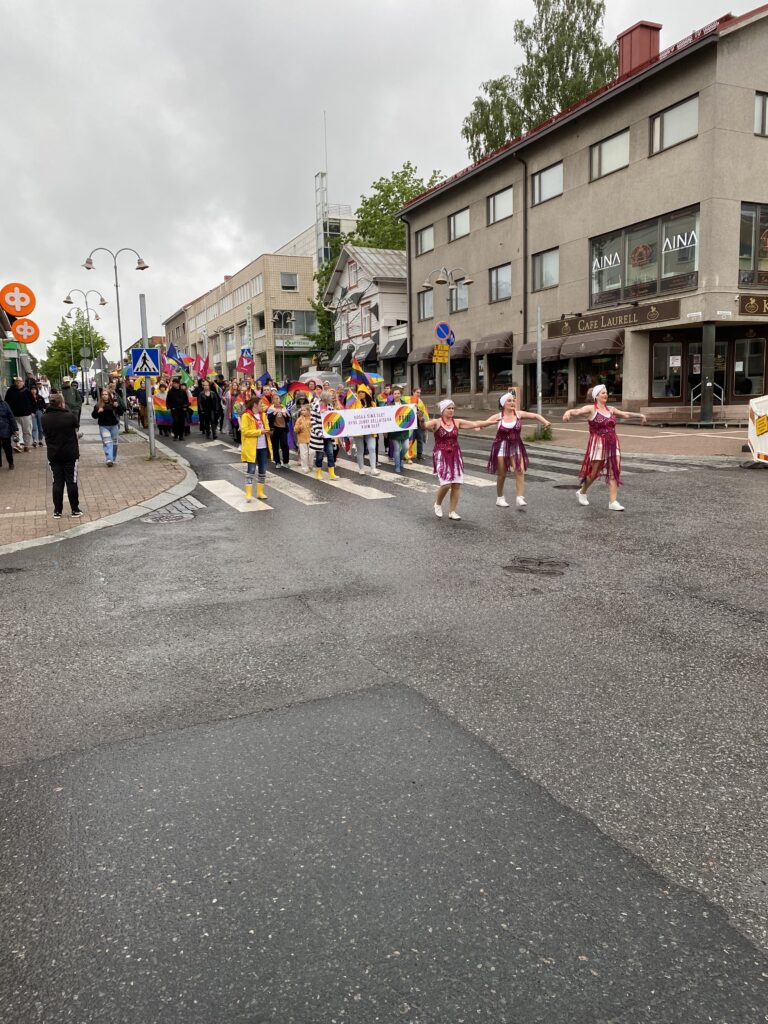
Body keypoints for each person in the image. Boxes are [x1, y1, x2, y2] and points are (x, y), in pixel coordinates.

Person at [563, 384, 647, 511]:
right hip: (598, 444)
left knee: (614, 470)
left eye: (606, 392)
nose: (606, 395)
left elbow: (625, 414)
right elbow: (577, 411)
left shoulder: (611, 409)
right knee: (594, 472)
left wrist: (640, 415)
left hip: (613, 443)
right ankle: (582, 491)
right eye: (603, 393)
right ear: (596, 396)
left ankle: (613, 502)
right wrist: (568, 412)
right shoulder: (591, 409)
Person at [475, 394, 551, 508]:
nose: (512, 403)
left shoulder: (518, 414)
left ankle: (519, 497)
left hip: (515, 446)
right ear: (503, 404)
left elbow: (535, 416)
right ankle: (500, 498)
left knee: (519, 471)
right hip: (501, 447)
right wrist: (478, 427)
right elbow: (483, 424)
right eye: (509, 401)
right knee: (502, 474)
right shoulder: (498, 416)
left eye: (513, 400)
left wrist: (545, 422)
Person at [423, 399, 482, 520]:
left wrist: (493, 421)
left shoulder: (457, 422)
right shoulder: (436, 422)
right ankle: (438, 504)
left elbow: (476, 424)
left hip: (455, 454)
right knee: (446, 483)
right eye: (448, 408)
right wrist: (420, 419)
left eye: (452, 408)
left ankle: (452, 511)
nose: (451, 410)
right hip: (441, 454)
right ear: (443, 410)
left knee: (456, 484)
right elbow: (423, 426)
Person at [41, 394, 82, 518]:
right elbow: (76, 425)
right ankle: (74, 509)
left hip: (54, 454)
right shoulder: (69, 416)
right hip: (70, 453)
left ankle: (57, 511)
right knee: (71, 481)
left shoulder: (44, 418)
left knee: (57, 482)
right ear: (61, 403)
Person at [240, 396, 272, 500]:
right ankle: (248, 494)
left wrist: (268, 431)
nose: (262, 405)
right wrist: (260, 432)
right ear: (255, 405)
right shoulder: (246, 416)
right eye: (261, 403)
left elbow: (266, 427)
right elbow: (245, 432)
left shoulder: (263, 415)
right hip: (252, 447)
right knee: (251, 470)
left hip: (263, 446)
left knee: (262, 470)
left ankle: (260, 492)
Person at [92, 387, 125, 466]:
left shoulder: (113, 404)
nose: (104, 396)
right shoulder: (98, 405)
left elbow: (121, 413)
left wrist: (117, 406)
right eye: (103, 394)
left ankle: (113, 458)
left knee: (115, 444)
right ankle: (109, 459)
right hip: (104, 426)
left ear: (109, 395)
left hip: (114, 426)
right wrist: (98, 412)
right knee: (107, 443)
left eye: (106, 394)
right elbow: (94, 416)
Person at [310, 389, 338, 480]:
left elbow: (333, 419)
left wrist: (333, 431)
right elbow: (313, 421)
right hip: (319, 436)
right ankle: (319, 472)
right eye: (330, 398)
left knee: (330, 453)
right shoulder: (315, 406)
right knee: (319, 455)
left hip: (328, 435)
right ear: (325, 399)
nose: (331, 400)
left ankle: (332, 473)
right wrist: (319, 433)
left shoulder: (330, 406)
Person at [353, 385, 380, 476]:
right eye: (359, 392)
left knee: (372, 448)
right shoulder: (354, 404)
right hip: (358, 431)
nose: (360, 393)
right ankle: (361, 468)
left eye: (362, 392)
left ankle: (373, 468)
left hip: (370, 429)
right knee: (360, 450)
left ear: (366, 393)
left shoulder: (373, 404)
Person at [4, 377, 35, 451]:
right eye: (16, 381)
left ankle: (26, 445)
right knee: (17, 431)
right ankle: (19, 445)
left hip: (26, 415)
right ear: (15, 382)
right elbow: (6, 402)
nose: (18, 382)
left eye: (19, 381)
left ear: (23, 382)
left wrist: (33, 412)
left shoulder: (27, 391)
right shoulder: (10, 391)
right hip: (15, 415)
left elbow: (33, 402)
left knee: (27, 431)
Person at [389, 386, 410, 474]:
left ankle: (400, 459)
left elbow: (410, 415)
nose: (397, 395)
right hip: (394, 432)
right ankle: (397, 466)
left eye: (398, 393)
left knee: (405, 447)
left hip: (404, 430)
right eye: (395, 394)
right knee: (397, 449)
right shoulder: (389, 405)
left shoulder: (405, 404)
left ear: (400, 394)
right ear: (392, 395)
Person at [267, 392, 290, 468]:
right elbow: (269, 419)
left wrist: (285, 415)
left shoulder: (283, 407)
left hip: (283, 429)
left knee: (285, 445)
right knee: (275, 446)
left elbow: (288, 419)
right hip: (274, 429)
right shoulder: (270, 408)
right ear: (273, 401)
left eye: (278, 398)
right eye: (275, 399)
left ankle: (286, 461)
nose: (277, 400)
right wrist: (274, 413)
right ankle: (277, 462)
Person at [0, 394, 18, 470]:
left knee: (7, 448)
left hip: (5, 430)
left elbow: (11, 417)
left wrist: (15, 429)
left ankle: (10, 462)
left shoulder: (4, 404)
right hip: (5, 429)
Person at [293, 404, 312, 472]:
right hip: (302, 439)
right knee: (303, 454)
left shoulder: (312, 418)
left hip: (311, 438)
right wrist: (299, 427)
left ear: (308, 411)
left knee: (312, 453)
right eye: (301, 410)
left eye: (304, 410)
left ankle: (310, 465)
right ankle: (305, 467)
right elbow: (295, 429)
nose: (302, 411)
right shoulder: (299, 419)